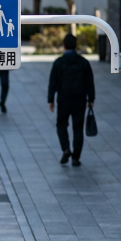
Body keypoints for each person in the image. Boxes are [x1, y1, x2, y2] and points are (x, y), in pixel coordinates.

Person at [48, 34, 95, 166]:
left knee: (61, 125)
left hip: (63, 99)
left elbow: (53, 82)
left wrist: (50, 99)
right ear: (75, 46)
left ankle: (66, 149)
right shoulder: (83, 62)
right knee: (78, 128)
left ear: (64, 46)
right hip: (79, 99)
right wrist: (91, 99)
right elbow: (89, 82)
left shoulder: (58, 62)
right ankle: (76, 157)